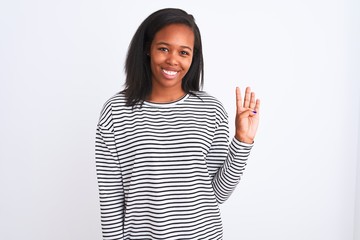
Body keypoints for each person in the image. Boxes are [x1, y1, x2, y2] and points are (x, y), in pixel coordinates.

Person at [95, 8, 260, 240]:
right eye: (163, 48)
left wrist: (242, 141)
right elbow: (111, 200)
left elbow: (217, 194)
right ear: (147, 49)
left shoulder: (210, 110)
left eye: (184, 52)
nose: (172, 60)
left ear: (193, 57)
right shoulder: (116, 111)